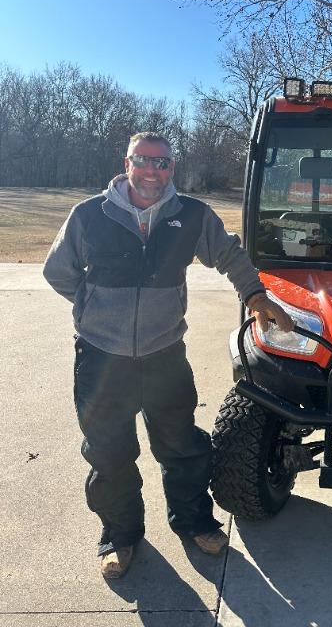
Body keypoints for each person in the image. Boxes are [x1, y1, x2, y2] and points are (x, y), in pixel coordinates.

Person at [43, 131, 292, 580]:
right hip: (101, 360)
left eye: (162, 163)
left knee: (181, 446)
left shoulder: (191, 215)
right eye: (144, 161)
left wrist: (255, 295)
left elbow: (231, 255)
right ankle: (120, 536)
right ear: (127, 162)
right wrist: (92, 308)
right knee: (109, 452)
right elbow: (57, 271)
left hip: (164, 355)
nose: (153, 172)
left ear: (171, 168)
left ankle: (194, 521)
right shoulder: (88, 215)